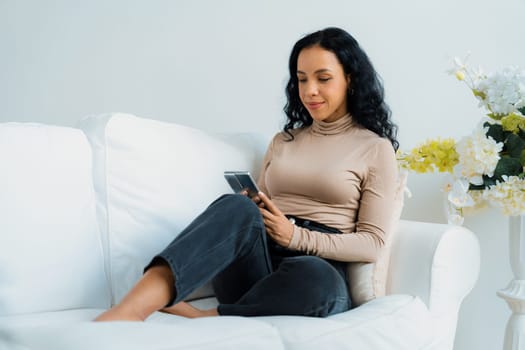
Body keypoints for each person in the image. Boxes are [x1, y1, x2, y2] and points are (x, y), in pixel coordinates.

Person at [94, 26, 399, 321]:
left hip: (313, 270)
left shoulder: (374, 148)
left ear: (350, 79)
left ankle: (206, 317)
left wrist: (296, 237)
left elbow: (371, 243)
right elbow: (259, 208)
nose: (310, 91)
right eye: (302, 79)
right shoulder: (284, 141)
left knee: (317, 278)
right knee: (237, 204)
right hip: (259, 259)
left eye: (323, 78)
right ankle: (131, 309)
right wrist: (253, 209)